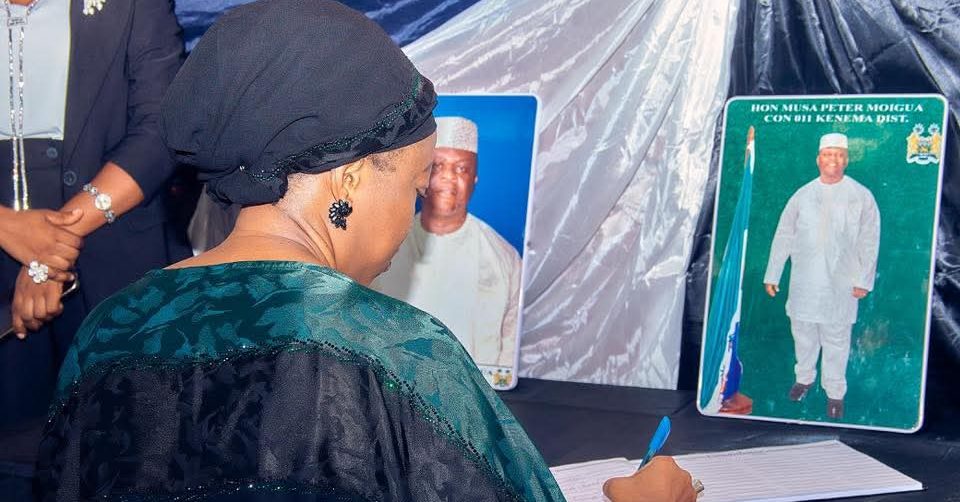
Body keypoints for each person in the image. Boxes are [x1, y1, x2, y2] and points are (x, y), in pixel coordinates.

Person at [33, 1, 695, 500]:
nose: (413, 215)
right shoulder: (395, 353)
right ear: (349, 178)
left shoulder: (108, 330)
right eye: (414, 186)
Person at [0, 0, 187, 497]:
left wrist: (48, 250)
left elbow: (161, 129)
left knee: (122, 456)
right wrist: (6, 227)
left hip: (113, 263)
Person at [374, 116, 522, 377]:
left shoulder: (504, 259)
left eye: (461, 169)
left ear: (475, 179)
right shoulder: (383, 248)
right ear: (421, 176)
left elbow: (506, 359)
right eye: (437, 166)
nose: (448, 178)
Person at [763, 132, 881, 420]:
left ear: (846, 160)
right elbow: (784, 235)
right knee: (803, 334)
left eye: (839, 155)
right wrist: (773, 274)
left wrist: (863, 280)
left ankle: (835, 393)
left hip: (841, 285)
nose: (833, 160)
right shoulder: (802, 196)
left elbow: (869, 240)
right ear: (818, 159)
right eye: (828, 154)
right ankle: (804, 379)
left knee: (836, 339)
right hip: (804, 283)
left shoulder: (860, 196)